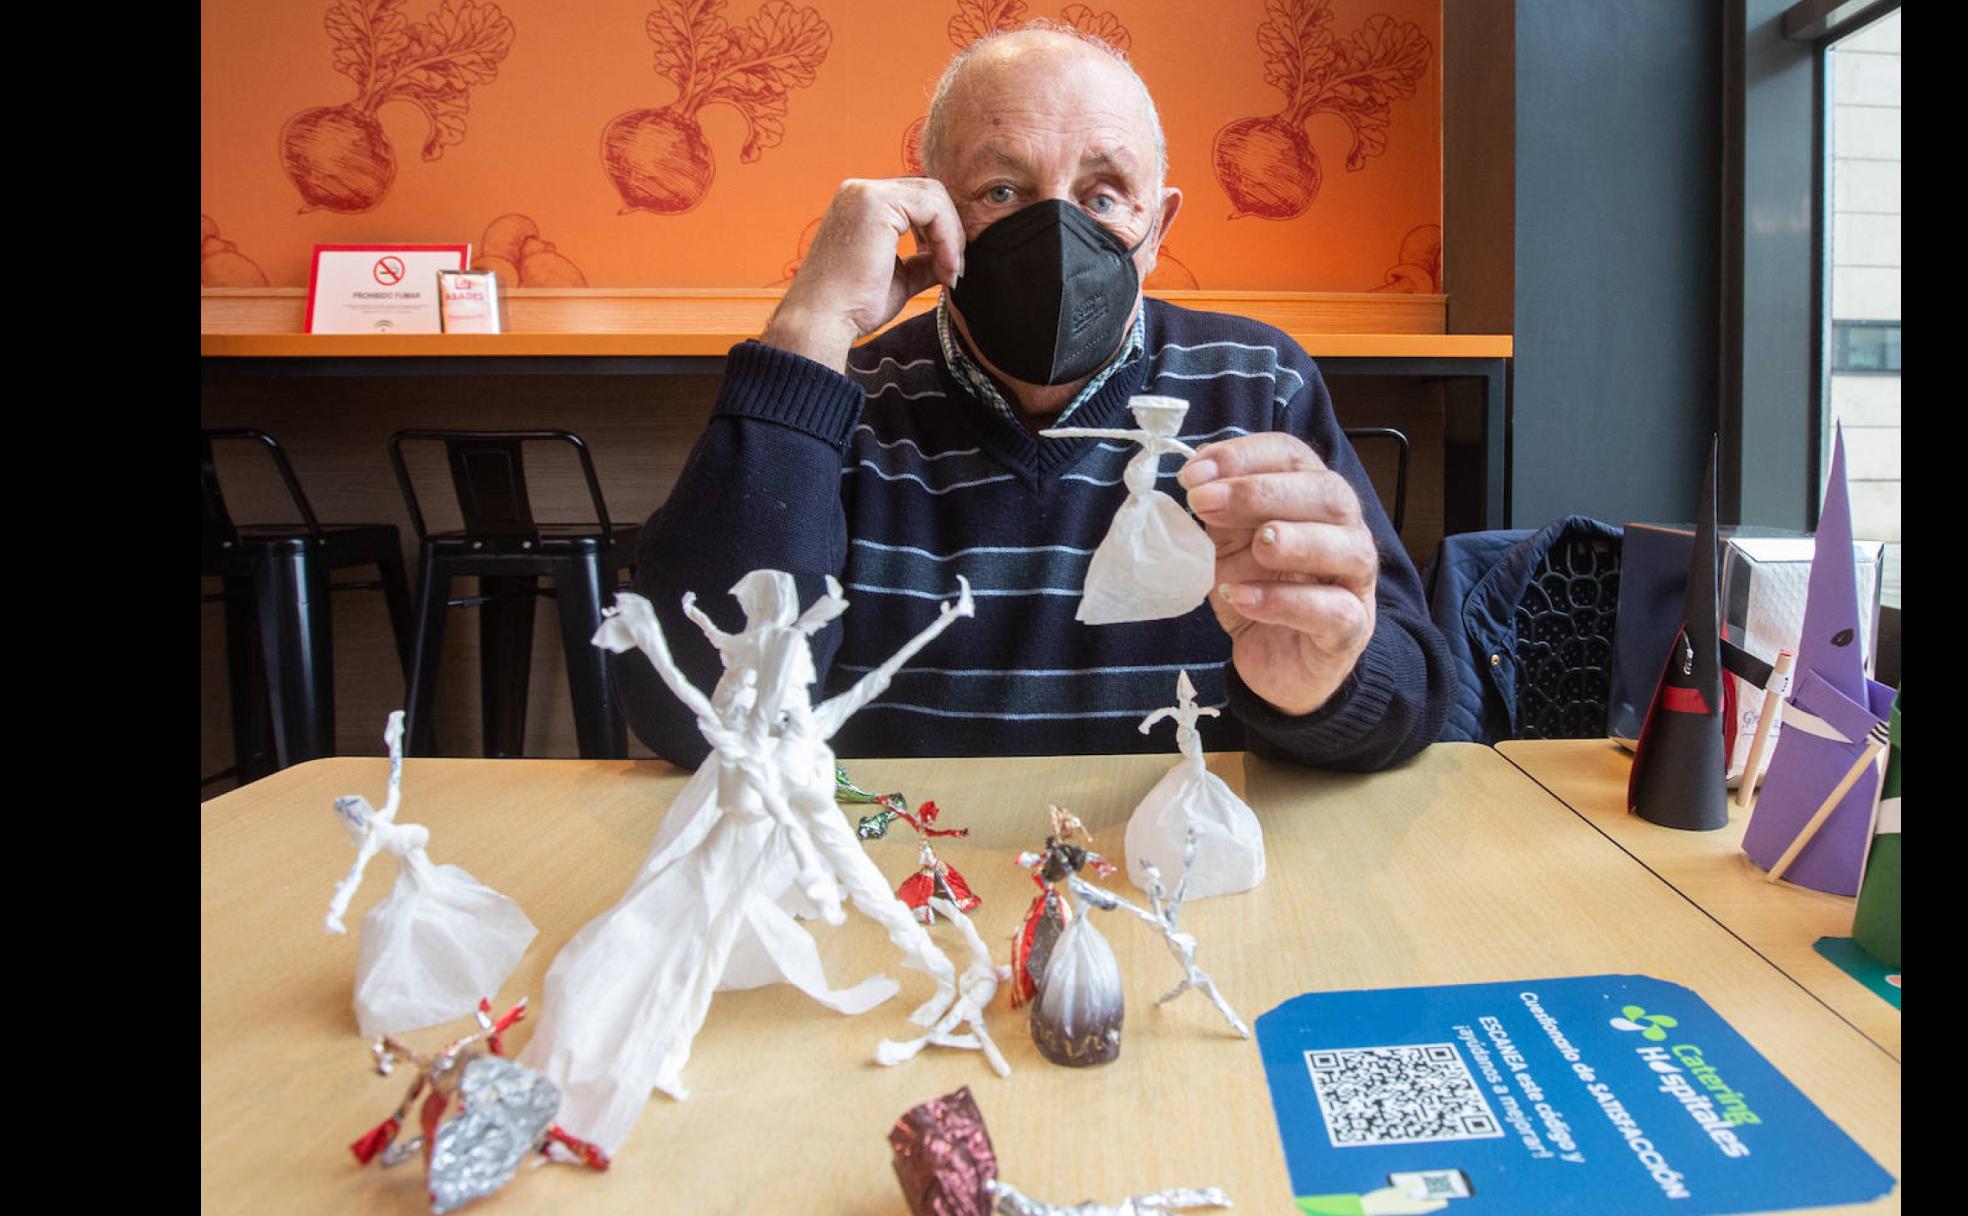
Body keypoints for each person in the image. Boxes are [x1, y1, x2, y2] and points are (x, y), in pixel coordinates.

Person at [615, 23, 1454, 770]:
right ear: (932, 213)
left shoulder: (1256, 382)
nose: (1056, 235)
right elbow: (691, 716)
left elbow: (1413, 699)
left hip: (1179, 874)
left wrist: (1322, 684)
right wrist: (808, 328)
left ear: (1157, 230)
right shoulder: (839, 400)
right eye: (1001, 192)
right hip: (908, 872)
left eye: (1102, 197)